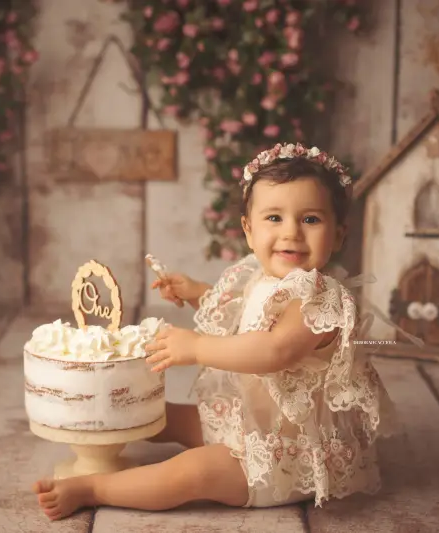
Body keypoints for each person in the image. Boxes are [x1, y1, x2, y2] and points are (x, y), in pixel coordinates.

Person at [34, 142, 396, 520]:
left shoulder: (319, 300)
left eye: (310, 220)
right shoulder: (261, 276)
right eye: (274, 218)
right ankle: (95, 439)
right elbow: (244, 317)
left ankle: (94, 488)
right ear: (248, 229)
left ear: (338, 235)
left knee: (193, 471)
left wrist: (197, 348)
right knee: (158, 414)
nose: (291, 233)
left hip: (282, 454)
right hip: (245, 421)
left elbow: (273, 350)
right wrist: (197, 293)